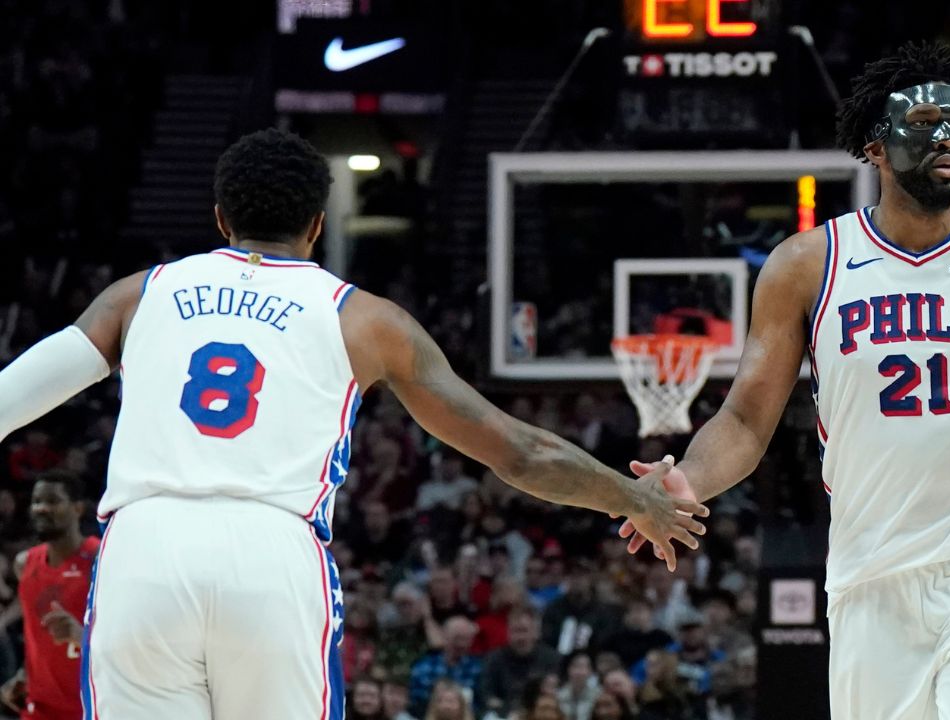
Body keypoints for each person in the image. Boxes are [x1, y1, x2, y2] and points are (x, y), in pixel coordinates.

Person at [0, 128, 708, 720]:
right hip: (270, 551)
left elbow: (13, 395)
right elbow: (518, 452)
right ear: (316, 225)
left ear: (220, 217)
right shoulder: (365, 319)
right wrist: (633, 498)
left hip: (144, 549)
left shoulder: (139, 294)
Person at [617, 41, 950, 720]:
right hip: (868, 580)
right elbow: (743, 421)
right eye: (925, 122)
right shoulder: (807, 265)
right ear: (875, 147)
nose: (947, 137)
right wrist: (688, 480)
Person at [0, 471, 99, 720]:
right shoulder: (25, 563)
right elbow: (36, 638)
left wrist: (82, 636)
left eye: (53, 501)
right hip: (39, 708)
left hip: (89, 707)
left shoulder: (100, 559)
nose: (42, 508)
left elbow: (130, 635)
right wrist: (23, 674)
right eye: (37, 501)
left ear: (77, 508)